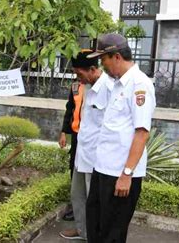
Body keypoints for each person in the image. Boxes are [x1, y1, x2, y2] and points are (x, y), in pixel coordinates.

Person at [85, 33, 156, 242]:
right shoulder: (117, 84)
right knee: (95, 227)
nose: (102, 66)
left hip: (120, 175)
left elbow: (142, 132)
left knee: (112, 235)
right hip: (103, 170)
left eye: (103, 60)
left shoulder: (139, 85)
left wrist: (126, 174)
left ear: (116, 57)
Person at [59, 50, 113, 240]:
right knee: (78, 195)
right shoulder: (86, 86)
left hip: (97, 158)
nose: (78, 79)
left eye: (80, 74)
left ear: (92, 69)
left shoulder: (109, 88)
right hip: (82, 153)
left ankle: (95, 236)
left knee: (94, 200)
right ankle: (83, 231)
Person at [59, 65, 86, 222]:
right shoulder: (75, 86)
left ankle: (84, 209)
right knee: (74, 168)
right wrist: (64, 132)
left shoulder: (96, 86)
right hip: (76, 135)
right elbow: (69, 109)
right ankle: (75, 208)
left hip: (90, 136)